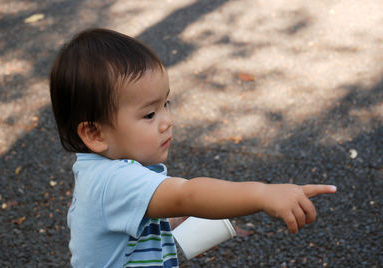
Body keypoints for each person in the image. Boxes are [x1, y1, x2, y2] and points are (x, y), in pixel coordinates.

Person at [49, 28, 337, 268]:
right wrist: (263, 193)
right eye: (149, 115)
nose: (167, 121)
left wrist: (166, 220)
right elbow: (186, 194)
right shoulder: (114, 180)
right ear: (94, 133)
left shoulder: (100, 169)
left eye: (166, 104)